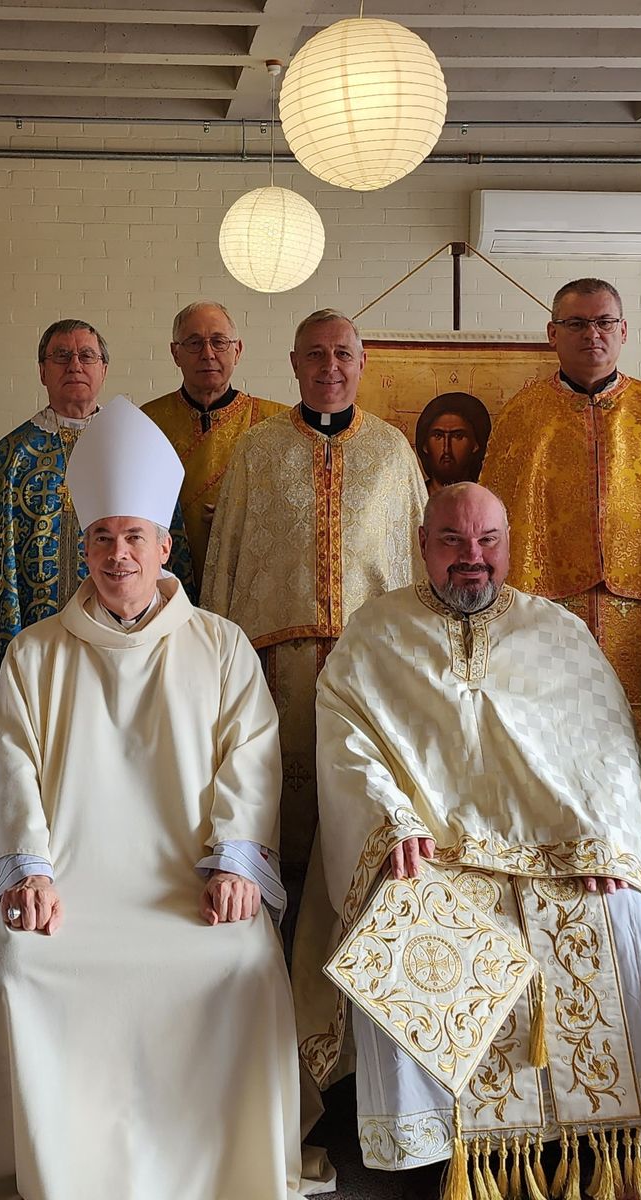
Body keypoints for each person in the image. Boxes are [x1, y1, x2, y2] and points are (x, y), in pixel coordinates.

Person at [0, 398, 302, 1200]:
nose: (118, 555)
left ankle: (219, 1166)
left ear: (165, 546)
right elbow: (13, 765)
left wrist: (232, 860)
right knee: (20, 963)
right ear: (81, 545)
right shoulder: (37, 651)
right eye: (102, 538)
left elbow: (251, 760)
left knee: (247, 959)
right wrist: (28, 872)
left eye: (134, 537)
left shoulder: (221, 645)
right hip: (69, 884)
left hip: (190, 882)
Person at [299, 482, 641, 1200]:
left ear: (510, 546)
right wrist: (393, 823)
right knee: (399, 914)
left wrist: (606, 843)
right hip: (432, 852)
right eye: (451, 541)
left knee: (624, 914)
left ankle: (596, 1140)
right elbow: (347, 739)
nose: (471, 558)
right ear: (423, 546)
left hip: (557, 855)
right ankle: (432, 1154)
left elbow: (606, 748)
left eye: (487, 541)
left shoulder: (557, 632)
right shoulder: (375, 632)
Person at [200, 308, 424, 914]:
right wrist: (211, 649)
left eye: (342, 354)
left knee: (358, 804)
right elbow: (226, 556)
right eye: (316, 355)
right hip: (273, 669)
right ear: (294, 364)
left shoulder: (392, 451)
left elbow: (416, 553)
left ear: (361, 363)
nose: (330, 367)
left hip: (368, 665)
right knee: (277, 807)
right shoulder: (257, 448)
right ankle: (270, 925)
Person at [478, 278, 641, 794]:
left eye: (603, 322)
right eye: (577, 323)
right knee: (550, 730)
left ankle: (639, 857)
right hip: (544, 608)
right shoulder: (523, 414)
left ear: (623, 330)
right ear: (552, 333)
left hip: (636, 608)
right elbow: (493, 515)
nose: (592, 333)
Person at [0, 319, 191, 740]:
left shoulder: (136, 452)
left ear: (103, 369)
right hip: (40, 651)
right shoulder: (9, 459)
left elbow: (168, 551)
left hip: (125, 639)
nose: (74, 364)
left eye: (86, 355)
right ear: (42, 370)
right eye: (61, 355)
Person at [142, 300, 285, 566]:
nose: (207, 353)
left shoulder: (276, 422)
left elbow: (294, 509)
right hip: (167, 571)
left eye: (219, 342)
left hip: (248, 569)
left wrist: (245, 514)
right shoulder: (147, 422)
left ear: (237, 350)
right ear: (175, 353)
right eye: (194, 343)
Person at [413, 390, 492, 488]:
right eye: (438, 436)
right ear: (425, 446)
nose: (446, 449)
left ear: (476, 445)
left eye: (457, 436)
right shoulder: (410, 500)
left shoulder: (488, 501)